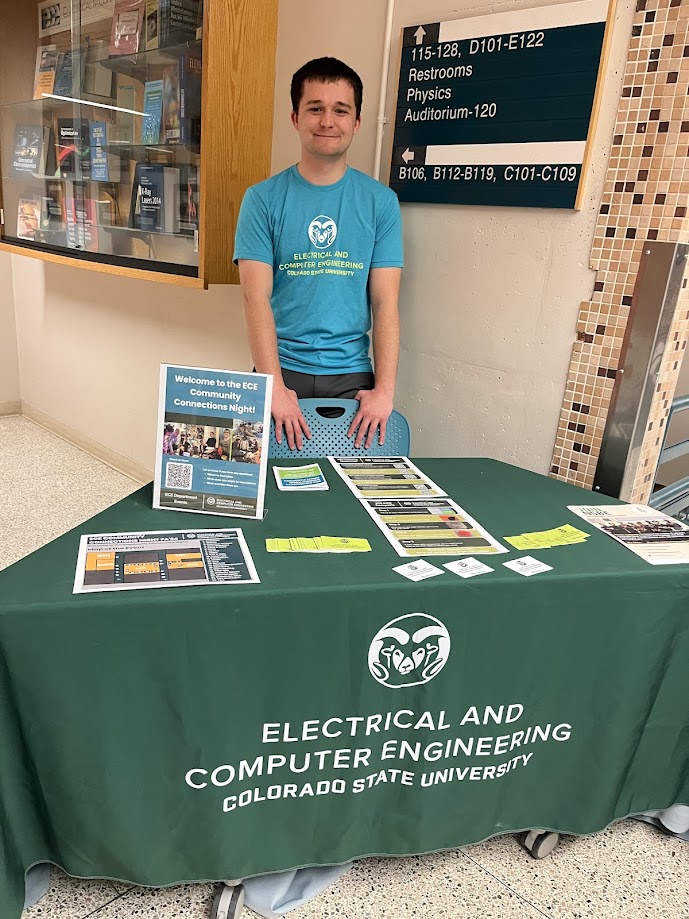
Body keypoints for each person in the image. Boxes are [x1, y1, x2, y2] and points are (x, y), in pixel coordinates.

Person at [234, 57, 403, 451]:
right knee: (274, 489)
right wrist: (272, 385)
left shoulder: (381, 203)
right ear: (295, 117)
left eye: (340, 110)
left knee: (351, 493)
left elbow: (386, 302)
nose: (328, 121)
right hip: (282, 372)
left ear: (357, 122)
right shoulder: (261, 200)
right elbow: (254, 297)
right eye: (315, 108)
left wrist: (384, 391)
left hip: (353, 379)